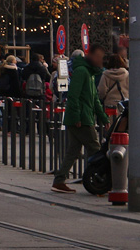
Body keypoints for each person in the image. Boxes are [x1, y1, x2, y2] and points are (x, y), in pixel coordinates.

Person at [51, 44, 108, 193]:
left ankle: (59, 180)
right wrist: (77, 116)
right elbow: (74, 96)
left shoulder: (90, 73)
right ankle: (100, 180)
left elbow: (94, 98)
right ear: (92, 57)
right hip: (81, 119)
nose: (101, 61)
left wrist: (103, 118)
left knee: (73, 151)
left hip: (82, 117)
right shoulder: (82, 72)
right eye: (100, 58)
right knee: (95, 149)